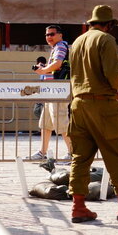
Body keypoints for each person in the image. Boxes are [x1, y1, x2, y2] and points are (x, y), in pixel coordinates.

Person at [67, 6, 118, 223]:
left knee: (80, 157)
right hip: (102, 104)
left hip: (78, 104)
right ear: (109, 24)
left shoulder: (77, 42)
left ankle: (78, 207)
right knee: (117, 154)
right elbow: (112, 74)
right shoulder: (106, 40)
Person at [34, 25, 72, 161]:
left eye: (52, 34)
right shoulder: (57, 47)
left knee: (62, 122)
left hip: (58, 91)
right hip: (53, 91)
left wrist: (43, 71)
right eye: (47, 35)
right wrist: (45, 68)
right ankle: (42, 152)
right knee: (46, 124)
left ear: (60, 35)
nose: (49, 37)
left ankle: (72, 154)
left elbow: (58, 63)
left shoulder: (61, 46)